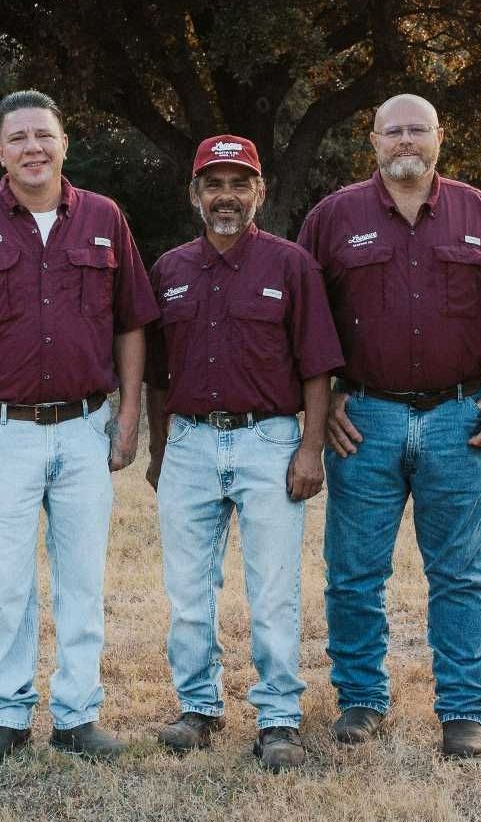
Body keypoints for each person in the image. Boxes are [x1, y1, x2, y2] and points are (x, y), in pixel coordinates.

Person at [0, 90, 160, 766]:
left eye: (44, 135)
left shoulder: (105, 219)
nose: (33, 148)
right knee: (3, 582)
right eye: (19, 137)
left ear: (64, 144)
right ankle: (5, 715)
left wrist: (128, 416)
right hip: (0, 432)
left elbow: (132, 322)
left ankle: (79, 713)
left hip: (86, 426)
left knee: (83, 578)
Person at [296, 93, 481, 758]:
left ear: (439, 139)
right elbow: (303, 324)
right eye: (392, 131)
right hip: (363, 418)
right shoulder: (332, 217)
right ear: (372, 140)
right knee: (354, 571)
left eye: (416, 131)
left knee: (460, 571)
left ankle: (462, 708)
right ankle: (362, 699)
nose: (405, 142)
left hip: (459, 415)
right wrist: (330, 401)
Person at [143, 135, 343, 771]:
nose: (225, 196)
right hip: (190, 443)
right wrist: (158, 447)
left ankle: (279, 716)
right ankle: (198, 707)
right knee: (187, 588)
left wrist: (310, 449)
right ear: (195, 195)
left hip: (269, 440)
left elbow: (317, 367)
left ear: (259, 192)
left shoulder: (291, 266)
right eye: (213, 184)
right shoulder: (169, 270)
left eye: (239, 184)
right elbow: (155, 375)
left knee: (275, 587)